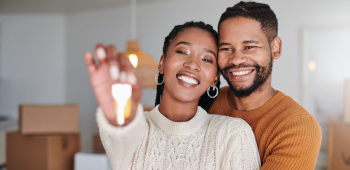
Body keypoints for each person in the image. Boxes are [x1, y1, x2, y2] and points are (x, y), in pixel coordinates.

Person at [84, 21, 260, 169]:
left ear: (215, 78)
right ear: (162, 63)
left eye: (207, 59)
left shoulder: (233, 135)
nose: (192, 64)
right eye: (182, 51)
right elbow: (121, 129)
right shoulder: (136, 130)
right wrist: (118, 108)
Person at [209, 1, 322, 169]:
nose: (236, 59)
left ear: (275, 48)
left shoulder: (298, 126)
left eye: (249, 47)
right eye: (226, 48)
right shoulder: (204, 102)